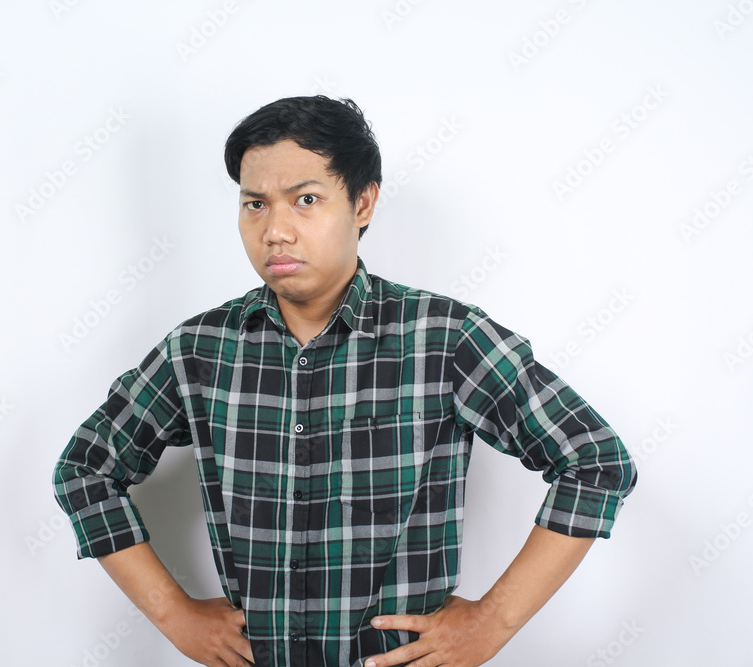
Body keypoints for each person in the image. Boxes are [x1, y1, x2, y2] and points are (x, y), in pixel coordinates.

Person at [53, 95, 637, 667]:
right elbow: (85, 469)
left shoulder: (444, 338)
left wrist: (493, 622)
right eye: (255, 204)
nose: (276, 231)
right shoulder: (199, 350)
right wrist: (174, 615)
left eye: (305, 199)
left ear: (362, 203)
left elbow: (595, 461)